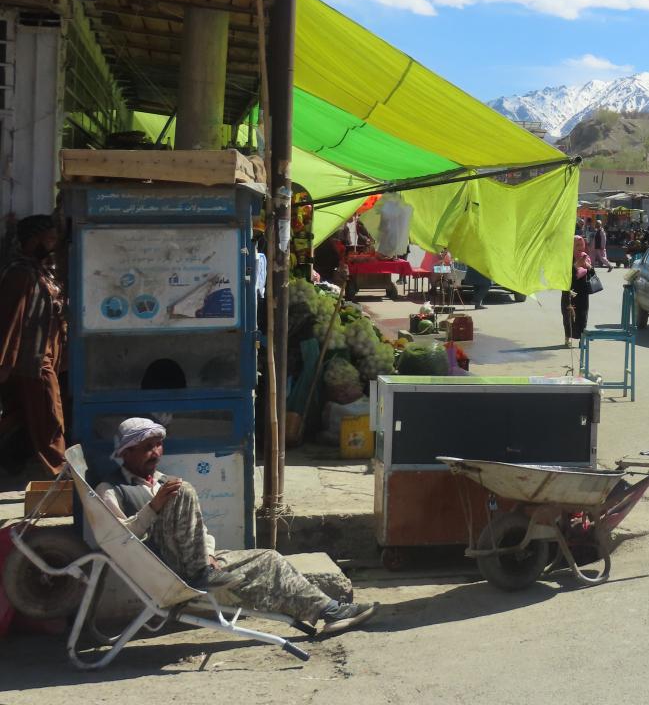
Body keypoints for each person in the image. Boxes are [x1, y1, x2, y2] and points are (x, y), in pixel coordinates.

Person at [98, 417, 378, 633]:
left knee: (269, 559)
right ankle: (200, 571)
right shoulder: (111, 490)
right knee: (183, 490)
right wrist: (153, 507)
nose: (156, 452)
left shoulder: (162, 481)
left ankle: (329, 611)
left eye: (158, 445)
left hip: (198, 564)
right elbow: (120, 538)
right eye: (147, 448)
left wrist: (207, 553)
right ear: (127, 452)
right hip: (169, 571)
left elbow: (199, 530)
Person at [0, 215, 67, 478]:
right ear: (33, 240)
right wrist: (5, 363)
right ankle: (60, 473)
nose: (52, 244)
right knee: (49, 417)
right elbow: (10, 319)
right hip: (33, 361)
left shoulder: (42, 271)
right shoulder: (20, 273)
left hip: (46, 357)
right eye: (48, 239)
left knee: (28, 417)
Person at [561, 235, 594, 347]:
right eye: (577, 245)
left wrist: (588, 267)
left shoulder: (586, 257)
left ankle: (582, 339)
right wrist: (575, 266)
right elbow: (564, 275)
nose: (580, 247)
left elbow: (592, 275)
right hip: (569, 291)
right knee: (568, 315)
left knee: (582, 316)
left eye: (581, 245)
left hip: (583, 292)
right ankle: (567, 338)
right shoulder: (566, 258)